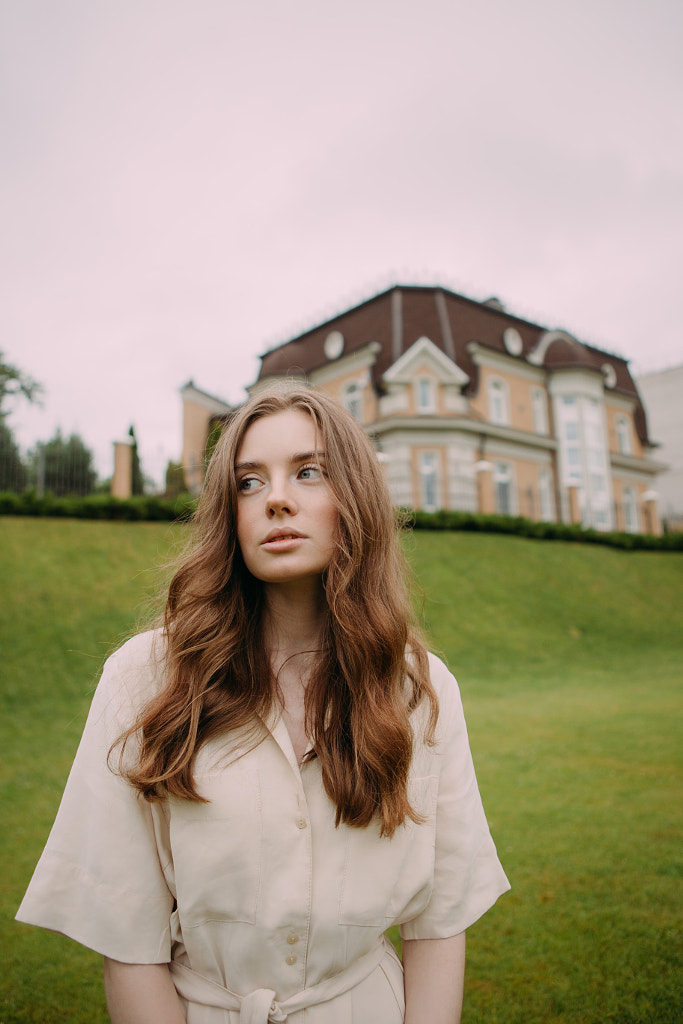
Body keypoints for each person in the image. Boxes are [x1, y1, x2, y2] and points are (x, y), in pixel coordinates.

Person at [17, 382, 509, 1023]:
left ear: (354, 498)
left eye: (308, 472)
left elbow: (440, 921)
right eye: (249, 482)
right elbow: (127, 938)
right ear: (229, 512)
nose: (276, 498)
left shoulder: (421, 687)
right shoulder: (143, 679)